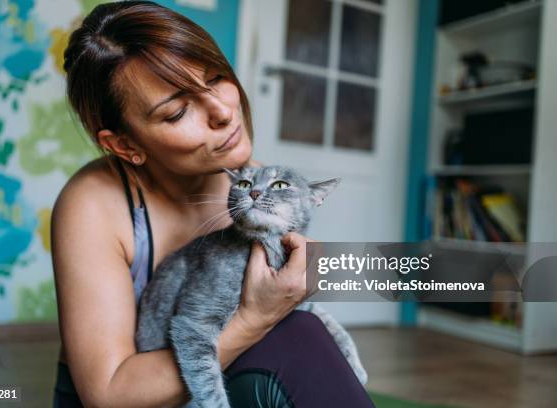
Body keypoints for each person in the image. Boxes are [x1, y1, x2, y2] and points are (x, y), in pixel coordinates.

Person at [51, 1, 374, 407]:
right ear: (125, 144)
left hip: (212, 380)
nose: (224, 111)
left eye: (217, 77)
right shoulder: (93, 204)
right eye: (178, 111)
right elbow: (109, 395)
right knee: (297, 336)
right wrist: (255, 318)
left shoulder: (251, 184)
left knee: (302, 336)